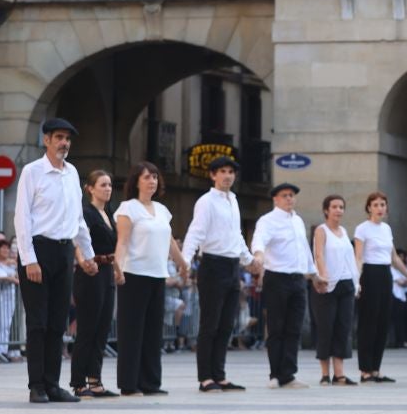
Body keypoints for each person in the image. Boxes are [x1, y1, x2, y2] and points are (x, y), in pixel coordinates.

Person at [14, 118, 98, 403]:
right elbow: (22, 217)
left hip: (64, 252)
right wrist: (29, 259)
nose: (64, 143)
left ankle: (52, 384)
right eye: (59, 137)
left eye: (67, 139)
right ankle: (36, 385)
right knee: (37, 322)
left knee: (57, 322)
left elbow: (77, 219)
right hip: (38, 250)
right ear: (46, 140)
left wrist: (87, 255)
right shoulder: (32, 172)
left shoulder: (72, 173)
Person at [180, 156, 256, 392]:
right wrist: (185, 260)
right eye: (222, 171)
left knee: (226, 325)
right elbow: (196, 232)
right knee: (210, 325)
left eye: (231, 172)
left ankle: (219, 375)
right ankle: (205, 378)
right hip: (212, 265)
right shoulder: (206, 201)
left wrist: (250, 261)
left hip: (233, 265)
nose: (227, 176)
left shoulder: (233, 200)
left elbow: (237, 236)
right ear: (213, 175)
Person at [113, 162, 189, 397]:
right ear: (136, 181)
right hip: (134, 273)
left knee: (153, 331)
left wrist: (182, 263)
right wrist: (118, 267)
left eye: (155, 177)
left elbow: (169, 242)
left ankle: (150, 382)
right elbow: (123, 241)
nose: (152, 181)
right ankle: (129, 384)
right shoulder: (128, 208)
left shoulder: (162, 210)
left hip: (157, 275)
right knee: (132, 331)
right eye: (147, 177)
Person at [252, 183, 317, 388]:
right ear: (276, 199)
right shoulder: (268, 220)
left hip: (298, 279)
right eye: (285, 195)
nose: (289, 199)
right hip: (277, 277)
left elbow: (305, 250)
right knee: (277, 328)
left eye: (292, 195)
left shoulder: (297, 220)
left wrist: (314, 275)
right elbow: (259, 239)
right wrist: (259, 255)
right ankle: (275, 374)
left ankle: (289, 374)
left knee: (294, 329)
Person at [353, 191, 407, 384]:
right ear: (369, 208)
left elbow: (394, 258)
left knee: (382, 322)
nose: (380, 208)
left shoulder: (387, 229)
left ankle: (376, 368)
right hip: (369, 274)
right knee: (368, 322)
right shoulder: (362, 229)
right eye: (376, 205)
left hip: (385, 275)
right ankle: (365, 370)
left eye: (383, 204)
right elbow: (358, 257)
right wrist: (356, 281)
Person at [70, 170, 118, 397]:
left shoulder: (109, 212)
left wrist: (118, 271)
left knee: (102, 328)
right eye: (103, 185)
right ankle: (78, 381)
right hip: (90, 273)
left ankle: (95, 379)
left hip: (107, 272)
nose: (107, 188)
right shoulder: (86, 212)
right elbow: (79, 241)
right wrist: (83, 261)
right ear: (90, 188)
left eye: (109, 185)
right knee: (88, 328)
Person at [311, 195, 358, 385]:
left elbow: (350, 258)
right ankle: (324, 373)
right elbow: (319, 254)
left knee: (343, 328)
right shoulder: (321, 231)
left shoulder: (344, 231)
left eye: (341, 207)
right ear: (326, 210)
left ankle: (339, 374)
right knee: (326, 328)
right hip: (327, 284)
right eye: (334, 207)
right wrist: (323, 276)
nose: (338, 210)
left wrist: (357, 282)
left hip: (346, 283)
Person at [0, 239, 20, 361]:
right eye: (3, 248)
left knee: (7, 325)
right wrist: (10, 279)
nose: (5, 250)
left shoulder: (11, 263)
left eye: (7, 248)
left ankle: (3, 350)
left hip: (11, 297)